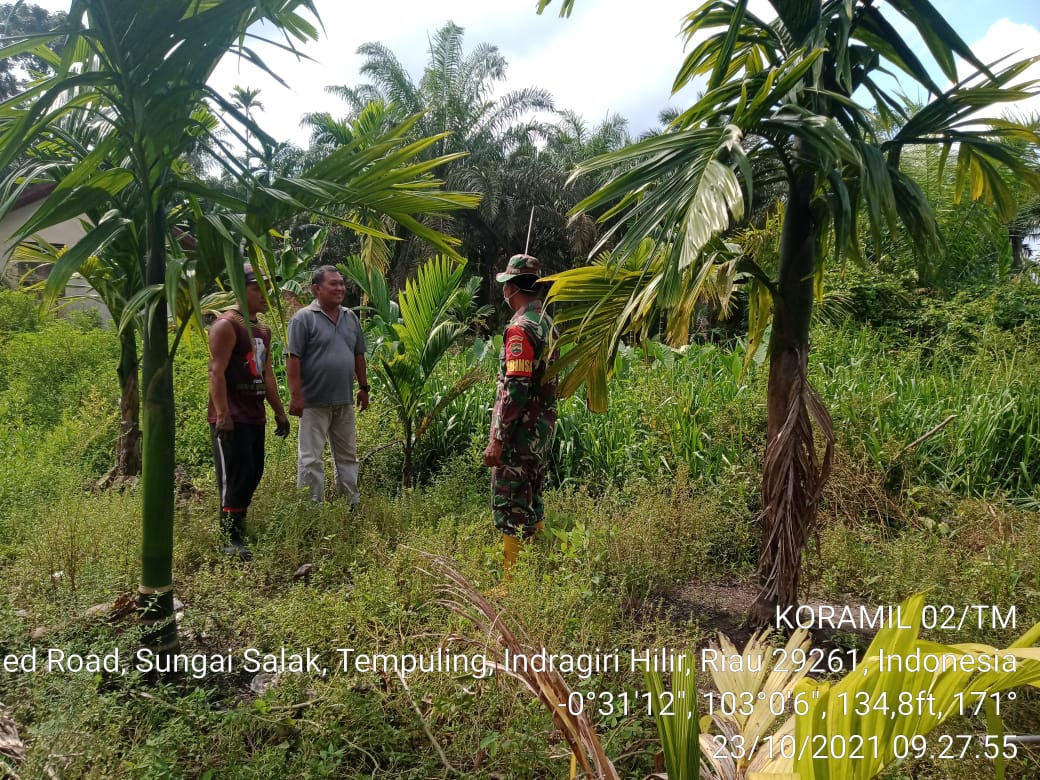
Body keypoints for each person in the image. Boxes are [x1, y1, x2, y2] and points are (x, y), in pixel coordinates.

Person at [482, 253, 559, 574]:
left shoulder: (520, 330)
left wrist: (497, 438)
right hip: (541, 430)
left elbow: (515, 387)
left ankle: (514, 581)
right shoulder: (547, 323)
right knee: (532, 494)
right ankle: (540, 563)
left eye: (506, 286)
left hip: (519, 434)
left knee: (511, 503)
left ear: (512, 287)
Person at [207, 263, 290, 560]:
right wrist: (223, 414)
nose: (264, 295)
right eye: (258, 288)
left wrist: (279, 411)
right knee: (235, 475)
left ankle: (239, 526)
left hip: (254, 413)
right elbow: (215, 372)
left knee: (253, 472)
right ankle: (230, 537)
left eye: (266, 289)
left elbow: (267, 374)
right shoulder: (226, 325)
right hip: (232, 415)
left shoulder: (262, 330)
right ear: (242, 290)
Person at [286, 265, 369, 503]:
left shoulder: (350, 317)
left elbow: (358, 355)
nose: (340, 288)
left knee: (348, 455)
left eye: (341, 283)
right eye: (333, 283)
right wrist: (296, 395)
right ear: (316, 289)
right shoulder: (303, 319)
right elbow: (293, 358)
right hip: (313, 402)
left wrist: (363, 387)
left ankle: (350, 503)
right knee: (310, 459)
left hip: (343, 400)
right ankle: (311, 510)